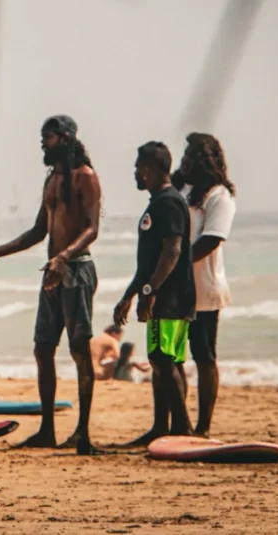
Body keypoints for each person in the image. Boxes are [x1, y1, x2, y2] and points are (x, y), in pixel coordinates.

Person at [0, 115, 103, 455]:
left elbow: (92, 229)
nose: (43, 144)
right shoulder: (52, 180)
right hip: (52, 273)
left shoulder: (84, 177)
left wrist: (64, 258)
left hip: (76, 272)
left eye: (48, 138)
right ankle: (47, 429)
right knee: (43, 349)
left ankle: (83, 434)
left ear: (66, 137)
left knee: (79, 350)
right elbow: (38, 232)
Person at [114, 141, 195, 446]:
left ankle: (182, 428)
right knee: (161, 359)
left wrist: (150, 291)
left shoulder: (169, 203)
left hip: (172, 298)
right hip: (164, 295)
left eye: (138, 167)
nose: (135, 173)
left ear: (149, 170)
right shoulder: (158, 203)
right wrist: (129, 295)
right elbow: (147, 261)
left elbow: (172, 251)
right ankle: (162, 427)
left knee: (165, 360)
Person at [171, 132, 236, 437]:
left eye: (188, 156)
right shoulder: (180, 190)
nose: (182, 161)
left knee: (204, 355)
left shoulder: (218, 195)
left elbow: (212, 238)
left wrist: (178, 264)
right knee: (172, 356)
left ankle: (203, 426)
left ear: (204, 161)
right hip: (175, 287)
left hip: (203, 287)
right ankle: (179, 422)